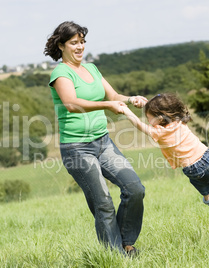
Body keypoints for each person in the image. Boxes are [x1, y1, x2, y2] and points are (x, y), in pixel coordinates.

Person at [44, 21, 147, 255]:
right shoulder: (61, 73)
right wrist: (108, 104)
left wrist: (131, 99)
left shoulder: (91, 69)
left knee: (135, 188)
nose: (80, 47)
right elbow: (71, 103)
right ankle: (116, 256)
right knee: (103, 203)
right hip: (77, 148)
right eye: (74, 43)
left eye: (82, 42)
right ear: (61, 46)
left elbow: (113, 96)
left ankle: (125, 243)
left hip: (102, 142)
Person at [121, 93, 209, 208]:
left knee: (199, 182)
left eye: (149, 118)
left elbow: (139, 125)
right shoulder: (179, 121)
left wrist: (127, 111)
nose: (148, 121)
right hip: (206, 157)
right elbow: (167, 108)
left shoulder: (158, 132)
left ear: (160, 119)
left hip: (190, 169)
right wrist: (150, 105)